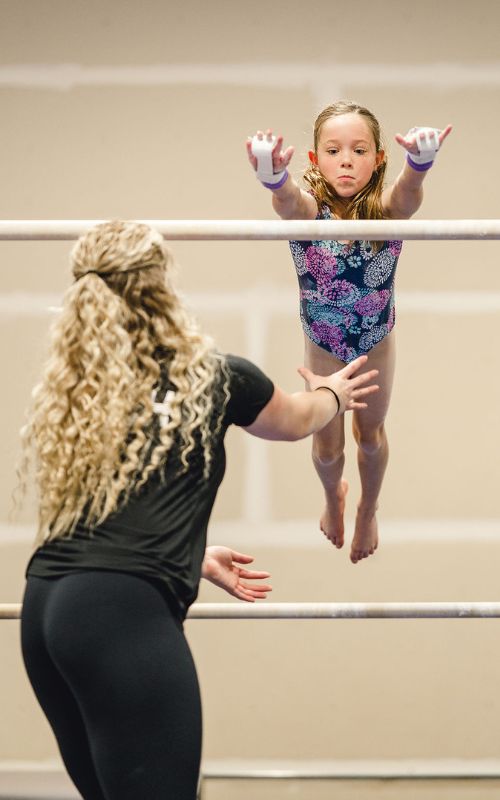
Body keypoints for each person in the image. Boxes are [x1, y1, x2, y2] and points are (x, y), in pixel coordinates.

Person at [19, 220, 379, 800]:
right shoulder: (211, 375)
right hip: (119, 611)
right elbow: (296, 420)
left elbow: (119, 510)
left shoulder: (87, 388)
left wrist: (185, 555)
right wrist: (334, 392)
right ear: (160, 288)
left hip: (47, 603)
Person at [246, 100, 452, 564]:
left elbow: (408, 194)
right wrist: (272, 176)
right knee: (326, 447)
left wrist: (419, 164)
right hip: (322, 343)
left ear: (379, 158)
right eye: (334, 150)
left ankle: (368, 507)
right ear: (315, 160)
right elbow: (287, 200)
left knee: (371, 434)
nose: (346, 159)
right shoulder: (308, 212)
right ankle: (331, 497)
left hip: (376, 340)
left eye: (359, 150)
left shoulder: (384, 210)